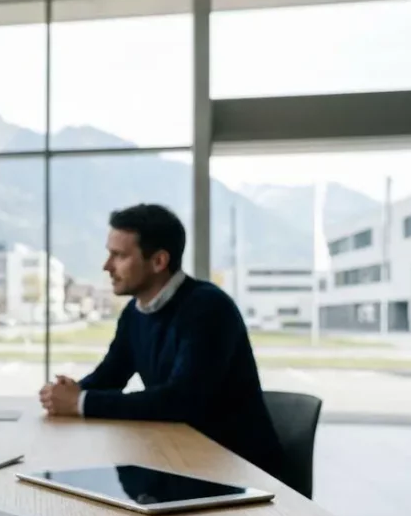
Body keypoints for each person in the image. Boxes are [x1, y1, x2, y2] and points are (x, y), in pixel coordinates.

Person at [39, 203, 283, 479]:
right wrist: (67, 393)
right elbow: (111, 375)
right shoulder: (135, 311)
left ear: (158, 261)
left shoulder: (209, 307)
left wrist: (80, 402)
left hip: (238, 471)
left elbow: (180, 401)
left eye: (118, 255)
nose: (106, 266)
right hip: (183, 461)